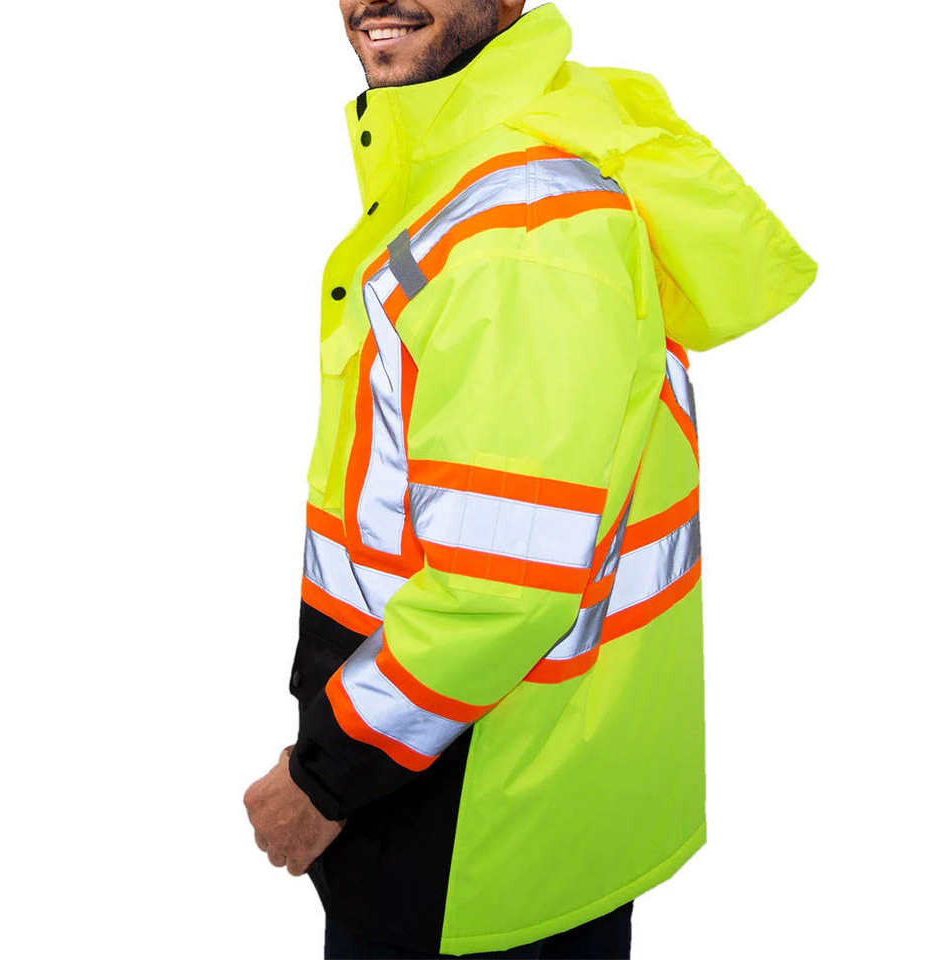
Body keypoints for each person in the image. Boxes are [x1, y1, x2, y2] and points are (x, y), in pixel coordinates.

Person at [243, 2, 817, 957]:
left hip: (473, 814)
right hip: (504, 779)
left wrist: (325, 778)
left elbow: (501, 585)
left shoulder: (519, 227)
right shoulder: (472, 170)